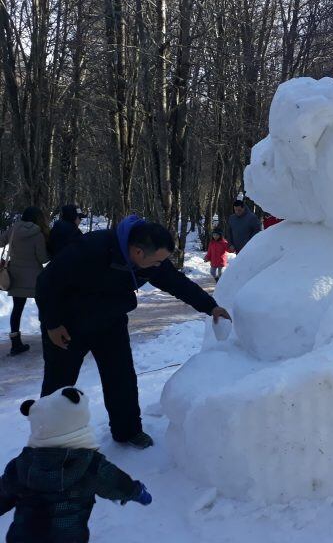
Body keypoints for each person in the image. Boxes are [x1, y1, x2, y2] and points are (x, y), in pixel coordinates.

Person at [35, 215, 231, 449]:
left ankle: (127, 431)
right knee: (59, 385)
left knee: (121, 379)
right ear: (138, 252)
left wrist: (210, 306)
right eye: (158, 261)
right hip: (68, 325)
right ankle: (47, 441)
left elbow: (176, 282)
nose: (160, 266)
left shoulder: (151, 259)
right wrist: (52, 324)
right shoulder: (90, 248)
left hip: (110, 323)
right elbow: (47, 283)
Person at [0, 387, 151, 543]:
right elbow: (116, 483)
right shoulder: (91, 464)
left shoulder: (20, 465)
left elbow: (3, 492)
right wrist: (136, 492)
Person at [0, 207, 50, 356]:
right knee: (43, 307)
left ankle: (15, 343)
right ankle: (48, 338)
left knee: (17, 309)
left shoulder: (13, 229)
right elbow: (43, 258)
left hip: (15, 276)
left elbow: (1, 241)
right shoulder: (38, 234)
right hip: (35, 277)